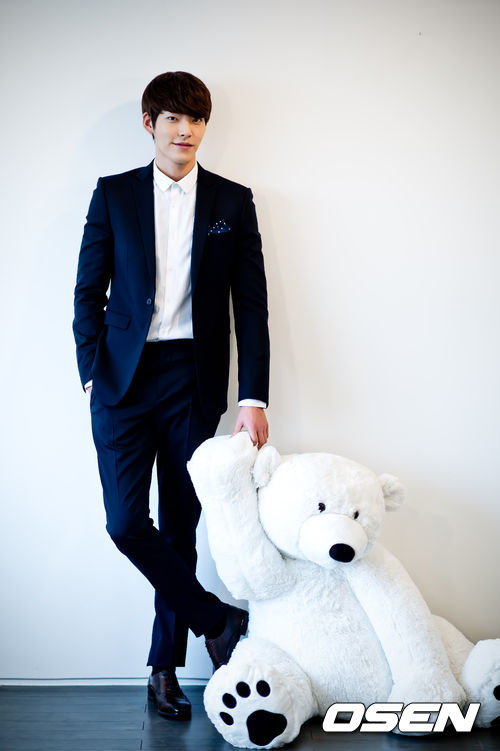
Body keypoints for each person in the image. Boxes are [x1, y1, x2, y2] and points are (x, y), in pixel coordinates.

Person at [73, 71, 270, 721]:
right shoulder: (114, 194)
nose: (186, 131)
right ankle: (216, 620)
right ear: (149, 124)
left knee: (181, 524)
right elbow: (87, 292)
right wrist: (91, 373)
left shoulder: (232, 201)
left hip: (193, 378)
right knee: (127, 523)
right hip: (122, 382)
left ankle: (164, 669)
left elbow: (251, 307)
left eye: (197, 119)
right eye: (174, 119)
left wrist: (253, 397)